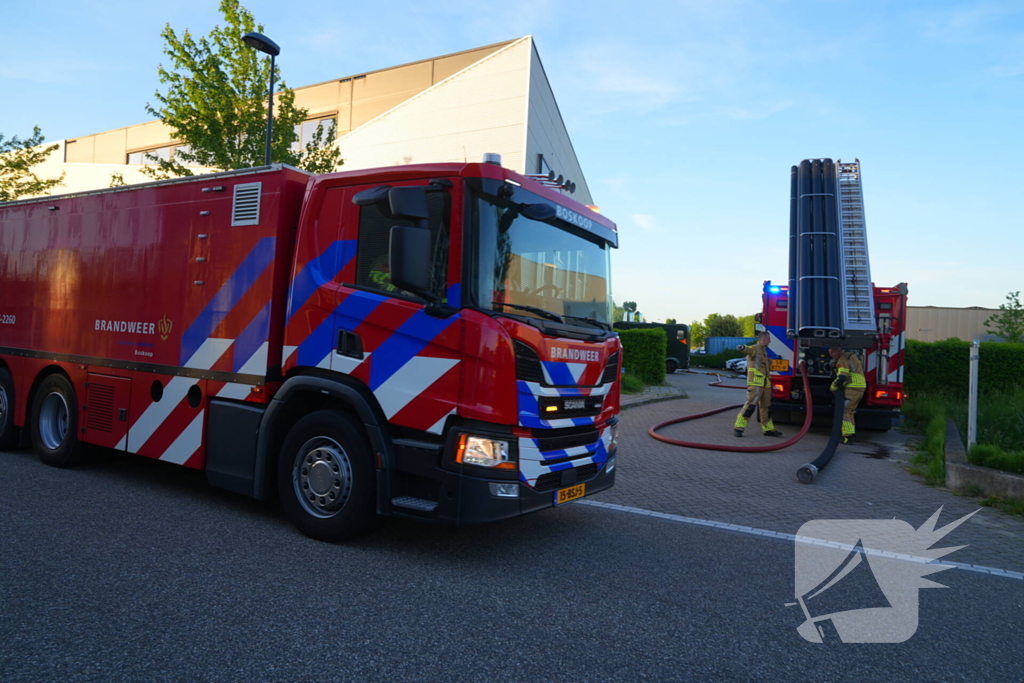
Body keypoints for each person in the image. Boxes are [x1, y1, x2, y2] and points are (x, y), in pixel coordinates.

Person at [733, 330, 782, 437]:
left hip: (766, 385)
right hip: (755, 384)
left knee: (766, 408)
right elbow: (748, 350)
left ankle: (768, 429)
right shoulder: (755, 349)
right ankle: (738, 428)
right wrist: (742, 347)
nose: (770, 341)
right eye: (768, 339)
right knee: (750, 406)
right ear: (763, 339)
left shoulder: (764, 351)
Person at [829, 347, 867, 444]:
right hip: (860, 386)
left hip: (852, 387)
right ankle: (851, 433)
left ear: (838, 351)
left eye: (833, 352)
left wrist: (833, 387)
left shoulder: (842, 359)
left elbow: (842, 377)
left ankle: (847, 437)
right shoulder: (851, 355)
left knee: (844, 411)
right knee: (850, 411)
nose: (831, 355)